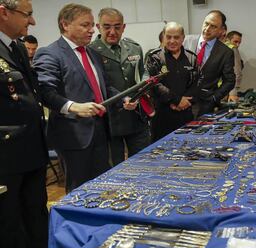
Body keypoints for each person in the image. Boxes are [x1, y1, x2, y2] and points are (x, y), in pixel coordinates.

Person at [33, 3, 135, 192]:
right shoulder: (50, 53)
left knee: (101, 186)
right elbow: (44, 91)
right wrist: (73, 106)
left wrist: (122, 99)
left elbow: (105, 86)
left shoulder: (93, 54)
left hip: (101, 131)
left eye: (92, 25)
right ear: (65, 25)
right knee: (79, 190)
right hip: (74, 135)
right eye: (85, 25)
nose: (91, 30)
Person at [0, 0, 49, 248]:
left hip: (32, 151)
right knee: (10, 230)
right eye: (27, 15)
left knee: (37, 222)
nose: (32, 22)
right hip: (5, 157)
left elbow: (31, 93)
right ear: (3, 12)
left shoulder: (17, 47)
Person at [89, 7, 150, 166]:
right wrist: (124, 98)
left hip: (136, 115)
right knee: (114, 167)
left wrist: (144, 85)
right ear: (98, 27)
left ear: (123, 27)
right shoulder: (91, 51)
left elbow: (143, 72)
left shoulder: (134, 47)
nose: (112, 31)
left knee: (142, 162)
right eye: (107, 26)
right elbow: (101, 85)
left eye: (117, 27)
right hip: (110, 120)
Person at [146, 22, 199, 141]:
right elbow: (154, 84)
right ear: (163, 37)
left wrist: (185, 102)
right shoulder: (154, 57)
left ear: (183, 38)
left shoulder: (192, 58)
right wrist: (177, 100)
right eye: (168, 37)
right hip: (162, 116)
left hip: (186, 113)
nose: (172, 41)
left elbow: (197, 83)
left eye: (176, 37)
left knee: (188, 150)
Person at [183, 10, 235, 117]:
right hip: (180, 101)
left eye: (213, 26)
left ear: (221, 30)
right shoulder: (185, 41)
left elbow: (230, 80)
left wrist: (214, 98)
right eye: (206, 24)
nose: (207, 29)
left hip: (205, 105)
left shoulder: (226, 52)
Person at [225, 31, 243, 102]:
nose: (237, 45)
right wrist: (233, 92)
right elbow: (237, 72)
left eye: (239, 43)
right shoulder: (233, 49)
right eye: (235, 41)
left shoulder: (218, 48)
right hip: (228, 91)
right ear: (228, 39)